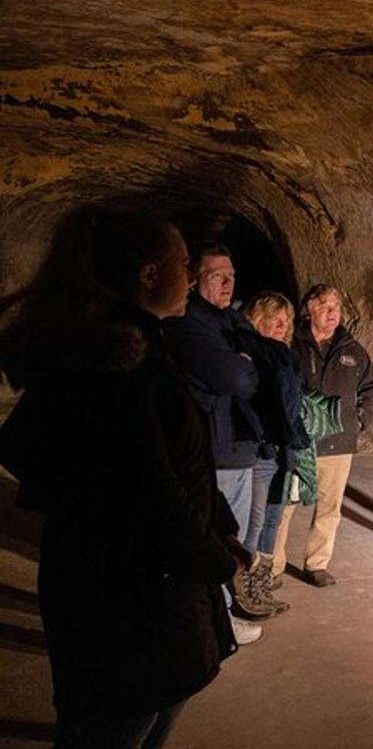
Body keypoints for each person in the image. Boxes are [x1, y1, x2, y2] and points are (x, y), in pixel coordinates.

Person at [0, 207, 250, 748]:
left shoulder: (130, 349)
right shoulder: (115, 367)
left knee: (141, 719)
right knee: (115, 729)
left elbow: (182, 467)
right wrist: (214, 557)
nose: (189, 277)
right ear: (147, 276)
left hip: (139, 592)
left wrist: (218, 528)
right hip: (130, 604)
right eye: (182, 264)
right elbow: (153, 494)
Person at [163, 243, 272, 629]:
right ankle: (218, 618)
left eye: (232, 276)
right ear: (194, 280)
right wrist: (247, 367)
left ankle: (222, 613)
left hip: (238, 443)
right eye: (217, 276)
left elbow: (268, 361)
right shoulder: (189, 321)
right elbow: (237, 377)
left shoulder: (229, 320)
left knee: (236, 535)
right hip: (217, 446)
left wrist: (250, 364)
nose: (227, 283)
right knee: (218, 539)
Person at [272, 284, 373, 588]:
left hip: (338, 442)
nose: (333, 313)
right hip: (300, 442)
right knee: (284, 506)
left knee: (330, 507)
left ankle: (317, 564)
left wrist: (358, 421)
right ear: (309, 311)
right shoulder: (292, 344)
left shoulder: (351, 349)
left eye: (336, 307)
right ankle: (273, 566)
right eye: (325, 306)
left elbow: (371, 387)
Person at [238, 290, 311, 614]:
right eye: (274, 320)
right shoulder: (249, 353)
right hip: (260, 447)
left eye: (286, 321)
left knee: (273, 519)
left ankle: (262, 587)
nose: (282, 326)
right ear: (257, 320)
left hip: (281, 447)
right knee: (254, 521)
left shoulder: (286, 356)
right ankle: (245, 592)